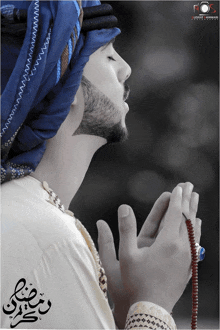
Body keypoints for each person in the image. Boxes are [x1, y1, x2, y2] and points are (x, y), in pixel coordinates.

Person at [1, 1, 202, 329]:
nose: (126, 69)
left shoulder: (24, 214)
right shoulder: (48, 235)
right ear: (68, 85)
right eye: (109, 55)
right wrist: (155, 302)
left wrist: (125, 310)